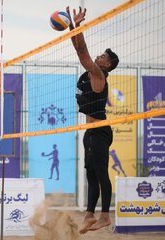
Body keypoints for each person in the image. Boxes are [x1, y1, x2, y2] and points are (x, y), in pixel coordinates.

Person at [67, 6, 119, 234]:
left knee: (100, 173)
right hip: (89, 131)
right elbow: (79, 49)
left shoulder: (99, 75)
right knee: (90, 174)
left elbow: (82, 51)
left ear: (107, 65)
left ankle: (104, 215)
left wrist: (79, 27)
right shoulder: (90, 72)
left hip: (100, 130)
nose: (99, 56)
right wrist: (72, 26)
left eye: (103, 57)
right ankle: (89, 213)